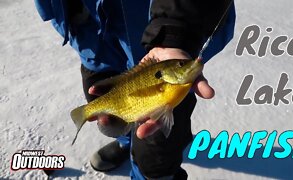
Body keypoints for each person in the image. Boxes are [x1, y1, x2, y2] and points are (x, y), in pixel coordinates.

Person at [35, 0, 235, 179]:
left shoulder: (173, 76)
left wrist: (175, 33)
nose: (185, 67)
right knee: (106, 108)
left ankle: (154, 173)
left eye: (180, 68)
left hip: (152, 29)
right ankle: (126, 143)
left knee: (157, 150)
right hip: (88, 35)